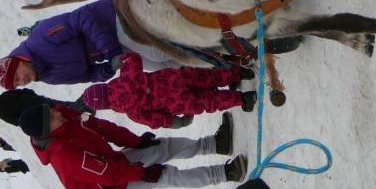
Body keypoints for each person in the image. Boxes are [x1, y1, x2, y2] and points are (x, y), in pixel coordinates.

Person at [19, 104, 247, 189]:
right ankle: (227, 174)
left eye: (49, 111)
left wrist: (137, 142)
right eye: (51, 118)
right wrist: (142, 174)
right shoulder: (63, 156)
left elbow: (102, 128)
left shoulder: (63, 117)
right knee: (164, 175)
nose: (56, 113)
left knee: (160, 147)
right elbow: (107, 175)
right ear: (45, 133)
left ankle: (217, 144)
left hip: (112, 163)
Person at [0, 0, 179, 91]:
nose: (21, 82)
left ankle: (202, 48)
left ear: (18, 61)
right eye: (16, 84)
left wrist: (110, 50)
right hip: (116, 47)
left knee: (157, 54)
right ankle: (201, 62)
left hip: (113, 18)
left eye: (16, 76)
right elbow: (88, 75)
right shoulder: (49, 78)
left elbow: (82, 18)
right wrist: (108, 69)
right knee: (159, 67)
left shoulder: (41, 38)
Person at [81, 52, 257, 129]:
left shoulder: (132, 113)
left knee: (210, 101)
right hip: (174, 79)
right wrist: (122, 59)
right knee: (209, 77)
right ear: (103, 86)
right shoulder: (125, 78)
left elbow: (156, 120)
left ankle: (244, 99)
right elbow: (135, 59)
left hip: (178, 103)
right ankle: (240, 72)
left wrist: (175, 123)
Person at [0, 88, 93, 127]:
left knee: (64, 113)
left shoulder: (2, 114)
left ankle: (88, 102)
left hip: (37, 114)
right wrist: (34, 97)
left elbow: (19, 122)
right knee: (63, 105)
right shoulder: (5, 95)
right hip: (38, 101)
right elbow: (25, 91)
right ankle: (88, 103)